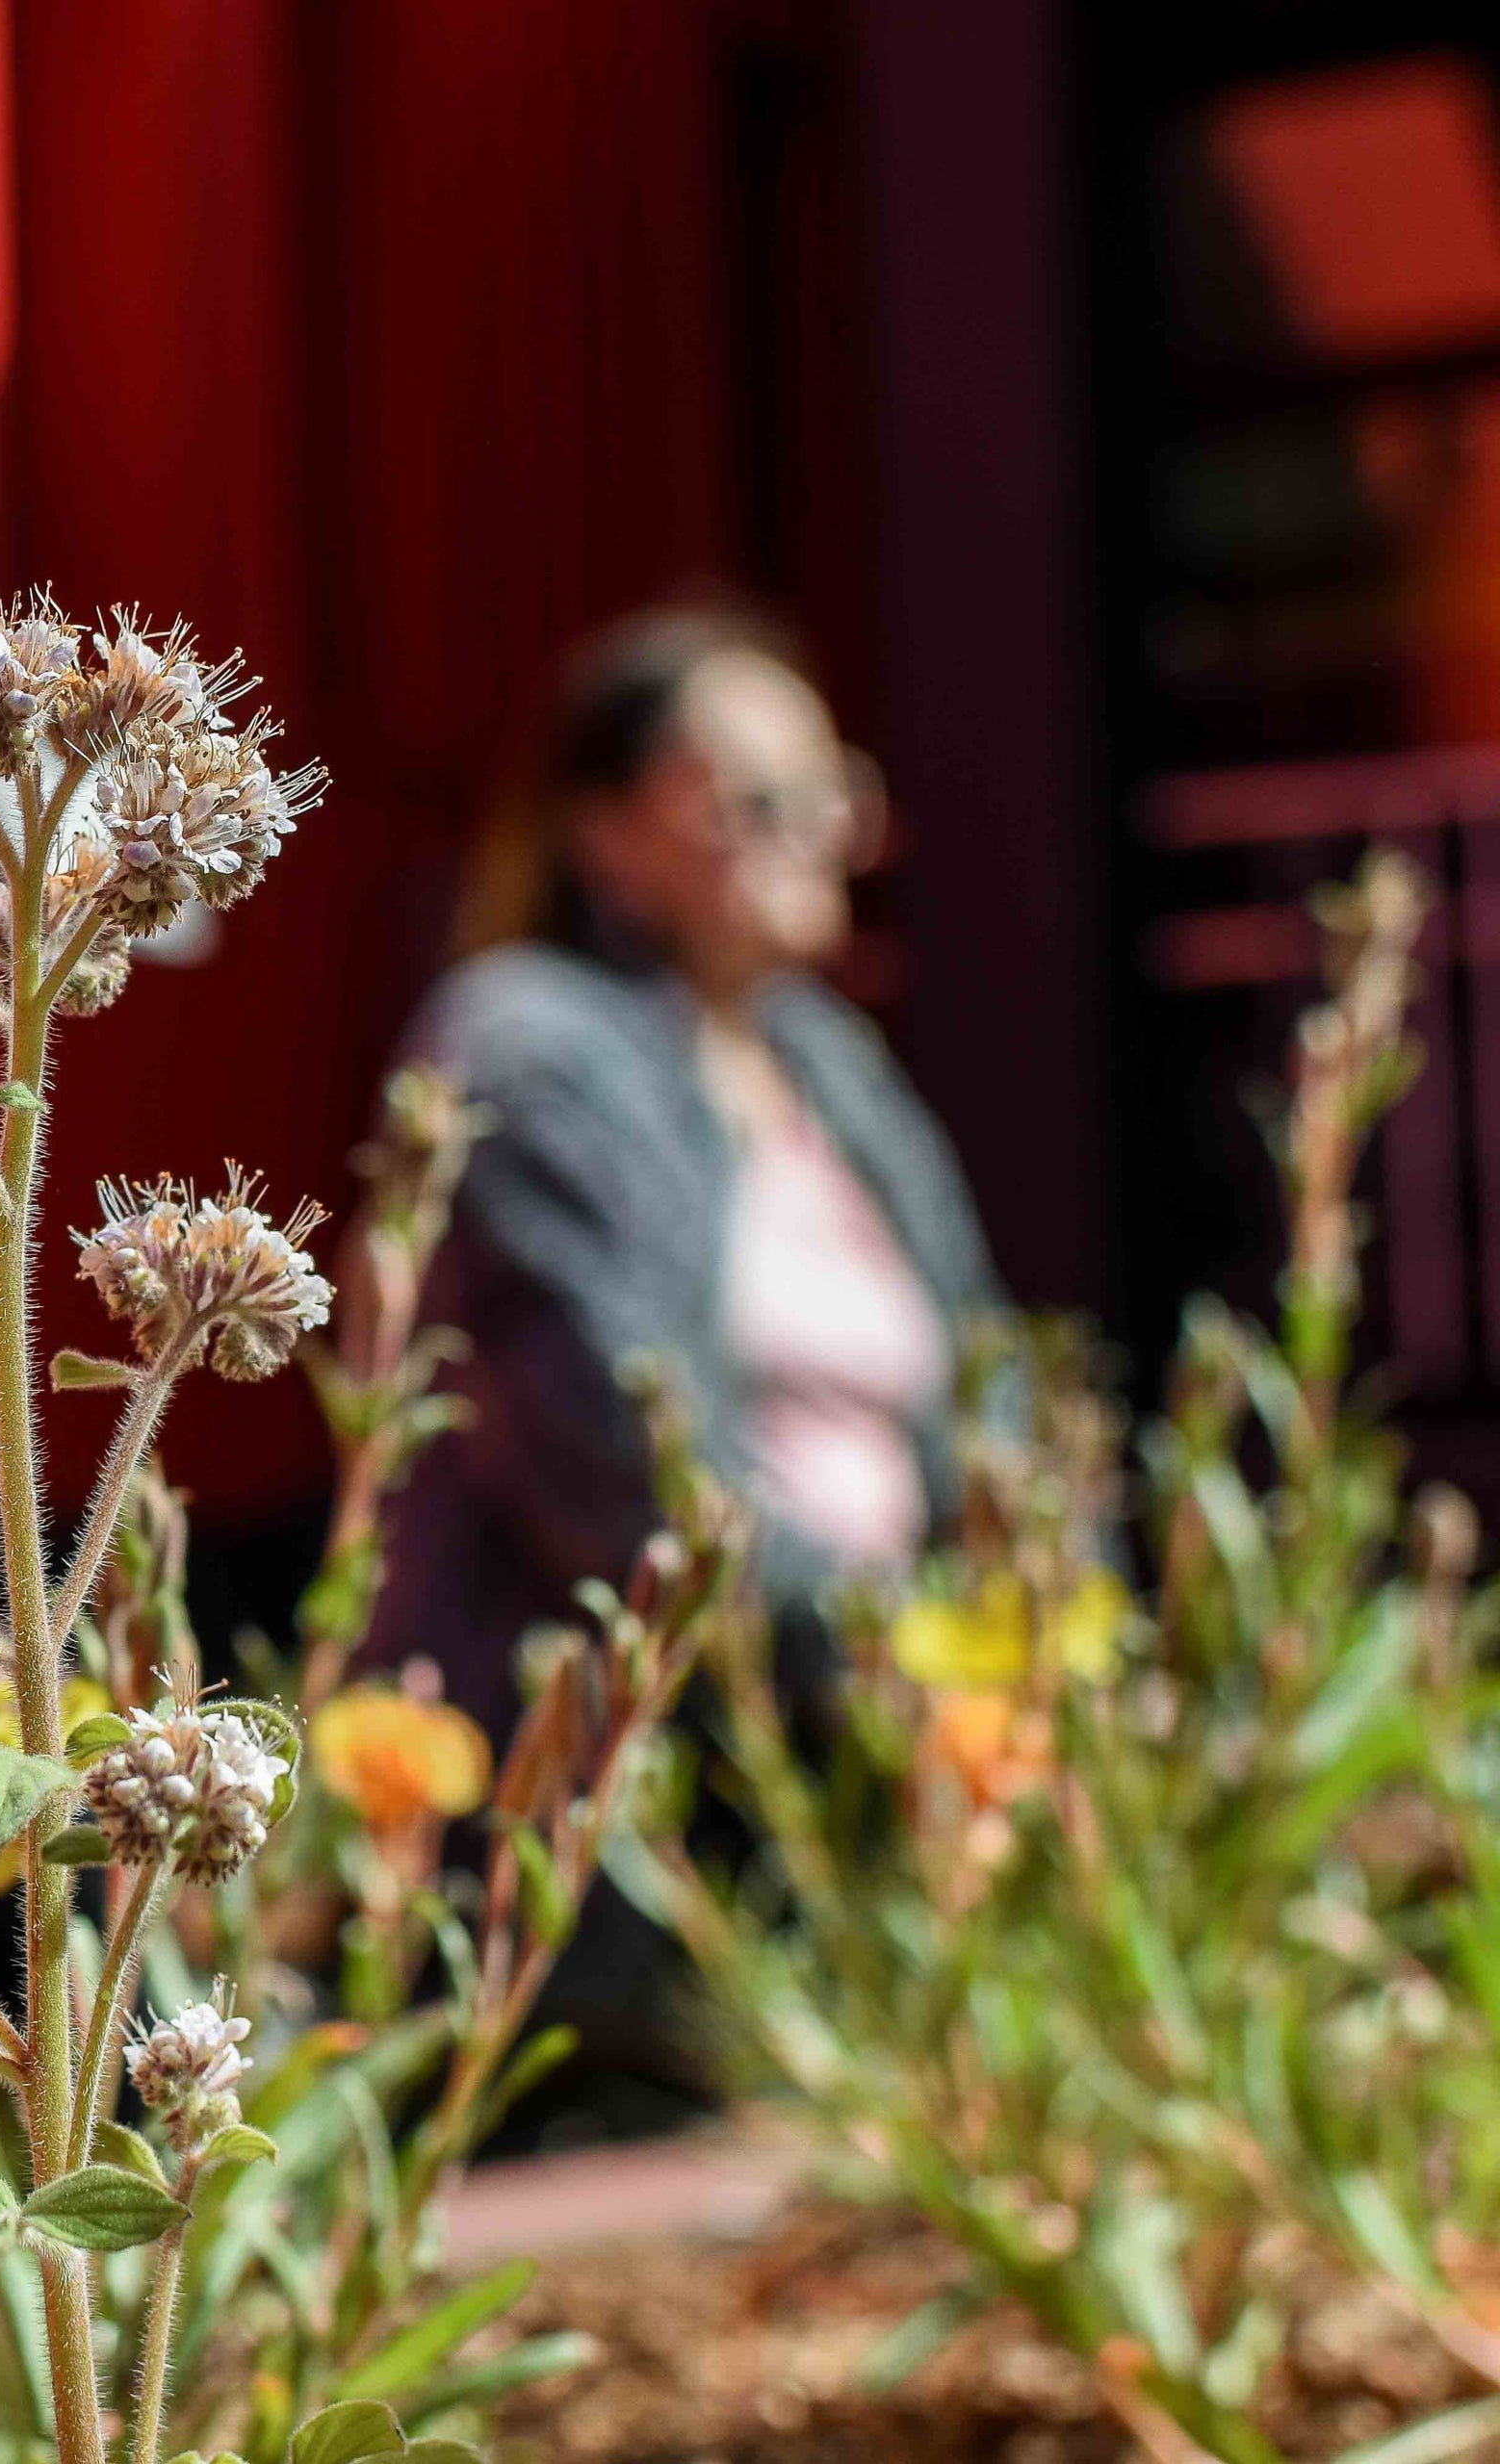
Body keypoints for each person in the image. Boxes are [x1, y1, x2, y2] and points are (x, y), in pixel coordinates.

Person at [366, 607, 997, 2112]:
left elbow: (985, 1387)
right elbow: (624, 1473)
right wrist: (905, 1673)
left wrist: (1032, 1652)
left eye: (830, 789)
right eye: (756, 800)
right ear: (608, 838)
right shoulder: (526, 1050)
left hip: (885, 1777)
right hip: (655, 1817)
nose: (822, 832)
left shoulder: (820, 1059)